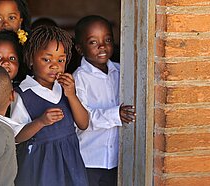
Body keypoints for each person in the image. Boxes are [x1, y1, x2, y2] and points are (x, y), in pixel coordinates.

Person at [10, 25, 89, 186]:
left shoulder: (65, 89)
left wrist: (72, 95)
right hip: (41, 166)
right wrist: (41, 122)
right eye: (47, 59)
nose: (55, 66)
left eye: (61, 60)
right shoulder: (23, 93)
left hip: (70, 162)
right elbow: (16, 137)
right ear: (31, 59)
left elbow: (84, 123)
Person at [73, 15, 136, 186]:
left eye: (107, 39)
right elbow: (82, 118)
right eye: (93, 42)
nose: (102, 46)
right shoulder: (79, 78)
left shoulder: (121, 71)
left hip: (117, 160)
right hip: (89, 159)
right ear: (80, 49)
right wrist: (116, 114)